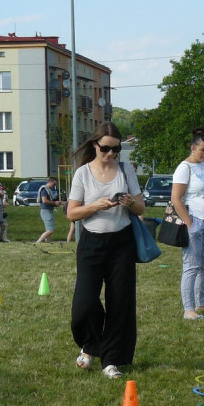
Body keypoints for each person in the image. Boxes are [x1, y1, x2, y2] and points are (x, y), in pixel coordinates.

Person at [67, 122, 144, 379]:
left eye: (115, 149)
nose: (110, 154)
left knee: (119, 301)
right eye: (105, 149)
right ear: (94, 145)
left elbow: (141, 208)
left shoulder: (125, 170)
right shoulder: (82, 174)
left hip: (121, 243)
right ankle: (90, 345)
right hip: (91, 243)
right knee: (84, 303)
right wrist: (96, 206)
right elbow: (72, 213)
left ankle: (111, 360)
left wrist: (131, 202)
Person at [171, 129, 204, 321]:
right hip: (194, 221)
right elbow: (176, 198)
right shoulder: (184, 168)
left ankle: (201, 303)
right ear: (193, 148)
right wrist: (189, 223)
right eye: (202, 150)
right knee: (191, 266)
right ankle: (188, 308)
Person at [35, 176, 62, 244]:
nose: (54, 186)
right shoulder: (44, 190)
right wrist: (54, 203)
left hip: (48, 210)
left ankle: (48, 242)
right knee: (50, 230)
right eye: (54, 184)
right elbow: (44, 200)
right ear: (50, 182)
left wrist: (56, 203)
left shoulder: (48, 190)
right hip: (46, 211)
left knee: (48, 229)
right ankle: (38, 242)